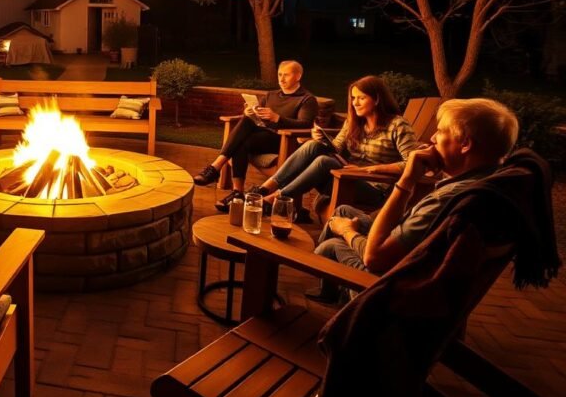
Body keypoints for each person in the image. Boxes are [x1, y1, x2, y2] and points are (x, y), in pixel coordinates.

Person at [306, 98, 520, 304]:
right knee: (343, 211)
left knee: (331, 245)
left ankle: (340, 300)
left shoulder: (449, 199)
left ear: (465, 144)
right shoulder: (493, 184)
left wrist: (406, 181)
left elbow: (374, 258)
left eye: (441, 131)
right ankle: (333, 291)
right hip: (427, 276)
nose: (433, 139)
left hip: (396, 291)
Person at [253, 75, 418, 217]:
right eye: (353, 98)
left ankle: (273, 199)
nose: (355, 103)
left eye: (361, 98)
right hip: (344, 178)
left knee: (325, 161)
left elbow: (412, 164)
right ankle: (265, 190)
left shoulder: (397, 125)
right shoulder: (353, 122)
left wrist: (369, 170)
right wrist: (322, 139)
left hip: (375, 189)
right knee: (313, 146)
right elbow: (336, 147)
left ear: (376, 99)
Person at [191, 60, 319, 208]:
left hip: (284, 140)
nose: (281, 79)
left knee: (241, 138)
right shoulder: (271, 95)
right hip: (262, 135)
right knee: (245, 129)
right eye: (279, 74)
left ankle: (215, 168)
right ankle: (237, 192)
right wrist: (250, 112)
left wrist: (278, 118)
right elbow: (257, 116)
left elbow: (306, 125)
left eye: (286, 75)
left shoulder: (307, 99)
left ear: (298, 76)